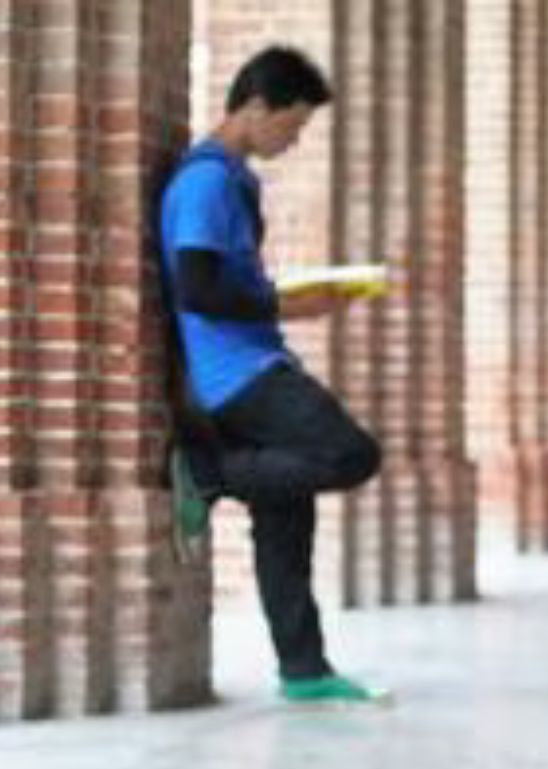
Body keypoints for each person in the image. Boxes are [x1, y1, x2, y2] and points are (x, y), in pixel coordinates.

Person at [157, 45, 386, 704]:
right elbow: (197, 288)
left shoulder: (232, 179)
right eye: (293, 125)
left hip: (253, 359)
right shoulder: (205, 181)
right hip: (236, 374)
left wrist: (298, 294)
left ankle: (304, 670)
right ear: (255, 107)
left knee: (286, 515)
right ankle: (207, 473)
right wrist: (288, 302)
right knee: (350, 453)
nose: (294, 140)